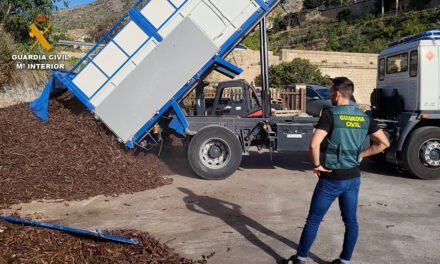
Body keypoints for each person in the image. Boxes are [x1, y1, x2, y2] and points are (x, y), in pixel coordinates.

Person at [283, 77, 390, 264]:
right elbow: (384, 143)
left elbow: (313, 144)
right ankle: (344, 261)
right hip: (353, 179)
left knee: (314, 220)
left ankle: (300, 259)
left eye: (331, 91)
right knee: (351, 222)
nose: (330, 94)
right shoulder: (365, 117)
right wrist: (362, 155)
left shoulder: (331, 115)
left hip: (331, 179)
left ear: (337, 93)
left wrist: (317, 165)